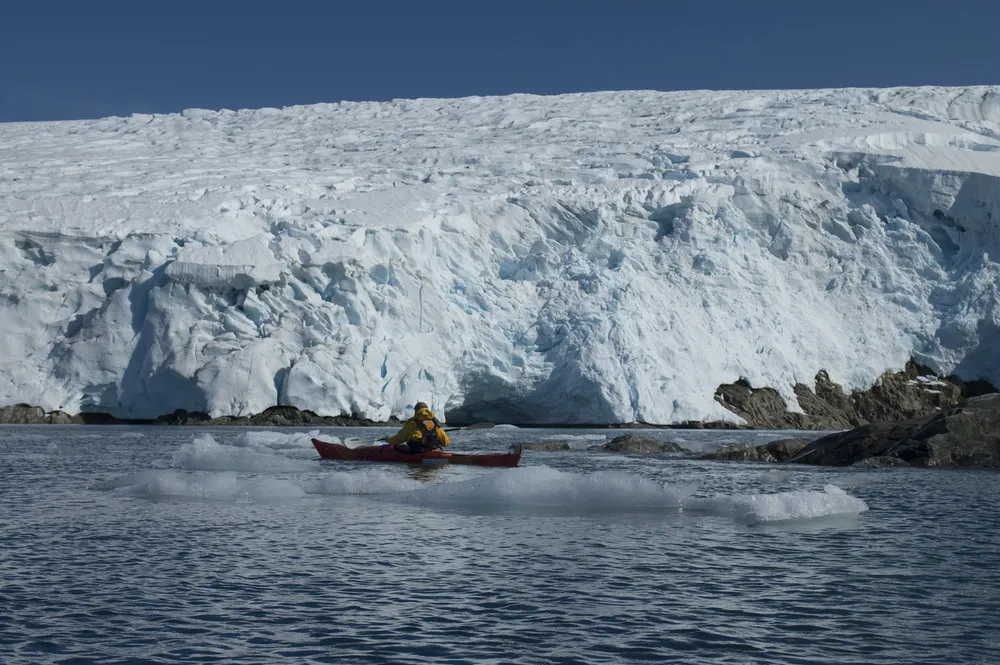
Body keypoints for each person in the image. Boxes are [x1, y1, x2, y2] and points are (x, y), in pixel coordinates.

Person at [382, 402, 451, 454]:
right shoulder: (434, 424)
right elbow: (446, 443)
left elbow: (398, 439)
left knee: (396, 447)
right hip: (433, 452)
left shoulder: (413, 424)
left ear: (416, 411)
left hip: (417, 453)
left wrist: (387, 440)